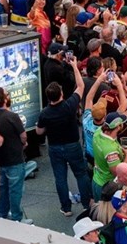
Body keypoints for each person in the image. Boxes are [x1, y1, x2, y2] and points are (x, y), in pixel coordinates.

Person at [35, 57, 92, 217]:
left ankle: (66, 208)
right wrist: (74, 66)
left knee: (60, 178)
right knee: (80, 174)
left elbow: (39, 132)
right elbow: (80, 86)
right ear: (61, 94)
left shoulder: (45, 114)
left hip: (54, 148)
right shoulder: (69, 105)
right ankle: (87, 204)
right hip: (72, 145)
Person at [0, 88, 31, 224]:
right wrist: (23, 144)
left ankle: (2, 215)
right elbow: (23, 136)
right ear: (5, 99)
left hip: (0, 160)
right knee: (15, 190)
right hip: (15, 159)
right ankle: (16, 218)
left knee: (3, 189)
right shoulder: (13, 117)